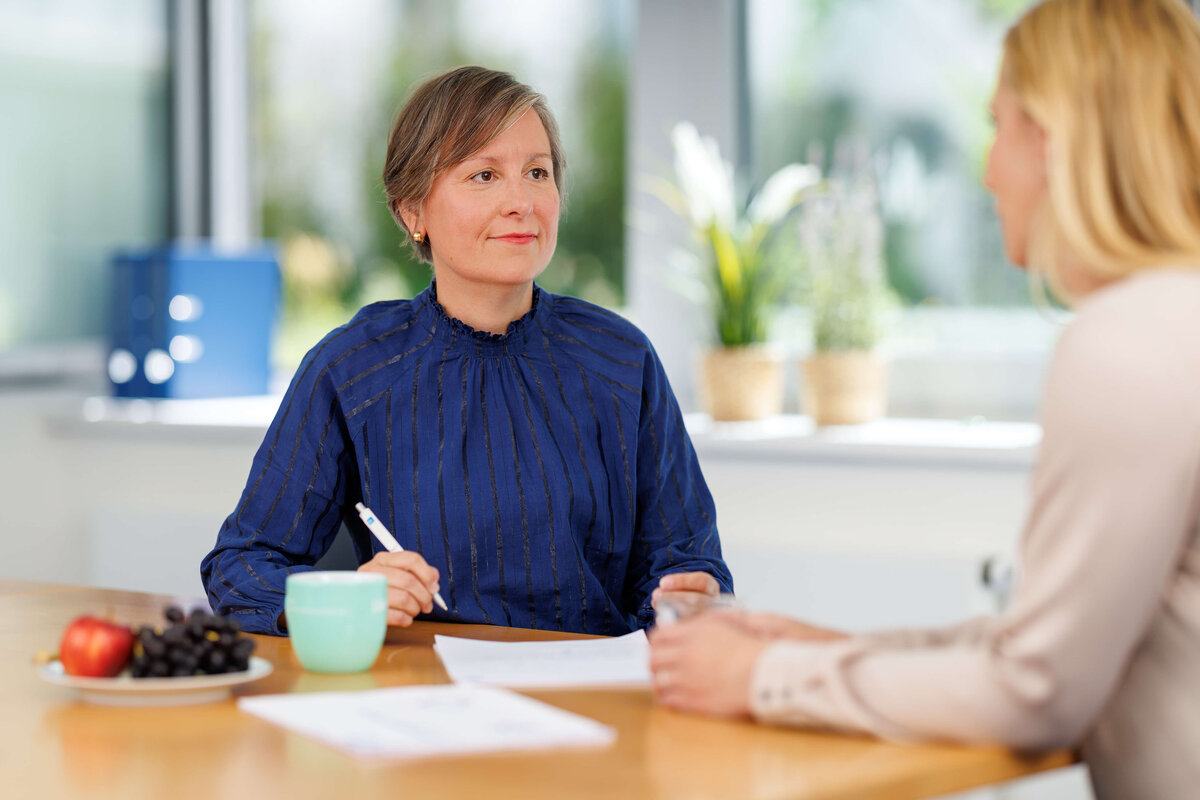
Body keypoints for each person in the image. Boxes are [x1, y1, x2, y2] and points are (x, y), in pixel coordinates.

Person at [648, 1, 1200, 797]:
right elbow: (1049, 645)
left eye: (998, 125)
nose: (988, 169)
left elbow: (1036, 691)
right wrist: (819, 651)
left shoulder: (1128, 345)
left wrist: (769, 676)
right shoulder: (1173, 318)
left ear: (1054, 140)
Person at [202, 66, 732, 637]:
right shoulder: (350, 369)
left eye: (537, 173)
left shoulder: (623, 360)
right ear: (413, 212)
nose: (521, 202)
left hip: (596, 703)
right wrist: (346, 596)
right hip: (424, 701)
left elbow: (689, 563)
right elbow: (240, 567)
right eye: (483, 175)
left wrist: (695, 593)